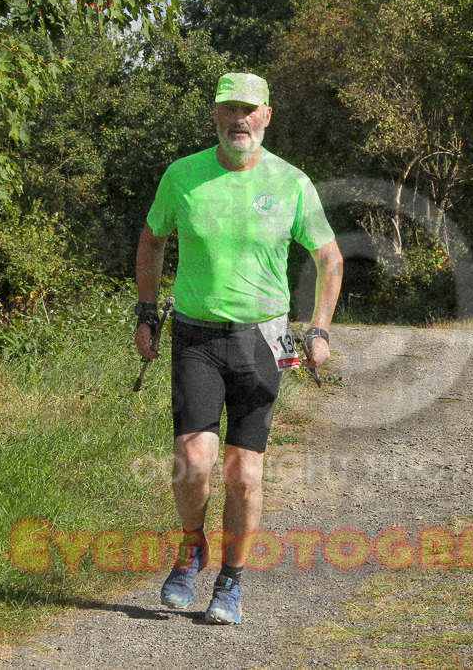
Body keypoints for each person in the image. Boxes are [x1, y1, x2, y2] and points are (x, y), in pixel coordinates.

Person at [134, 72, 342, 624]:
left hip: (264, 340)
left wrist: (319, 329)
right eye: (229, 108)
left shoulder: (292, 182)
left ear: (267, 116)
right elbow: (153, 239)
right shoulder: (182, 176)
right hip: (197, 335)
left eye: (249, 110)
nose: (238, 119)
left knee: (244, 473)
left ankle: (231, 579)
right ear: (215, 114)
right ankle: (191, 547)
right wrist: (147, 312)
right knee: (192, 460)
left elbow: (329, 258)